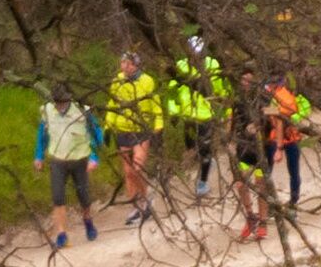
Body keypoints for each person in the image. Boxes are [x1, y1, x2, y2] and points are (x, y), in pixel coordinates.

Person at [33, 90, 99, 251]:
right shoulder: (47, 110)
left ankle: (88, 220)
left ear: (69, 100)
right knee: (57, 197)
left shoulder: (83, 110)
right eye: (56, 102)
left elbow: (96, 134)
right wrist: (39, 156)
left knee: (83, 196)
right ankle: (61, 234)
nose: (59, 106)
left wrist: (94, 157)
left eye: (62, 103)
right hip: (58, 159)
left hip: (80, 158)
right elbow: (42, 135)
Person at [103, 52, 162, 223]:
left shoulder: (147, 81)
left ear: (136, 65)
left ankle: (144, 201)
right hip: (123, 129)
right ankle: (136, 206)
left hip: (140, 129)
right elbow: (112, 104)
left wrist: (158, 126)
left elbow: (155, 104)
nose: (125, 67)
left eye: (129, 64)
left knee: (137, 167)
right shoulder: (117, 81)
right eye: (123, 63)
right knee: (128, 172)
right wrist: (108, 126)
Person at [172, 34, 226, 196]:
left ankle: (202, 182)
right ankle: (204, 162)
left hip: (205, 115)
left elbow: (218, 88)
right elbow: (173, 91)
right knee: (190, 147)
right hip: (187, 116)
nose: (195, 55)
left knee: (205, 149)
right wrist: (174, 112)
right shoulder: (180, 66)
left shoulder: (211, 64)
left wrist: (222, 108)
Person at [228, 92, 272, 242]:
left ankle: (263, 222)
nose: (246, 83)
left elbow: (277, 114)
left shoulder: (264, 97)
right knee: (241, 183)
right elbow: (232, 121)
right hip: (244, 150)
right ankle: (250, 216)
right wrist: (229, 139)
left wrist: (259, 122)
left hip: (262, 151)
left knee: (261, 186)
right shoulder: (238, 101)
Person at [262, 76, 309, 211]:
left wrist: (267, 110)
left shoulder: (284, 96)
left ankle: (293, 202)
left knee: (293, 171)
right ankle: (269, 203)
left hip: (289, 138)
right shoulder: (268, 95)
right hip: (273, 137)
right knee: (268, 172)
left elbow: (287, 113)